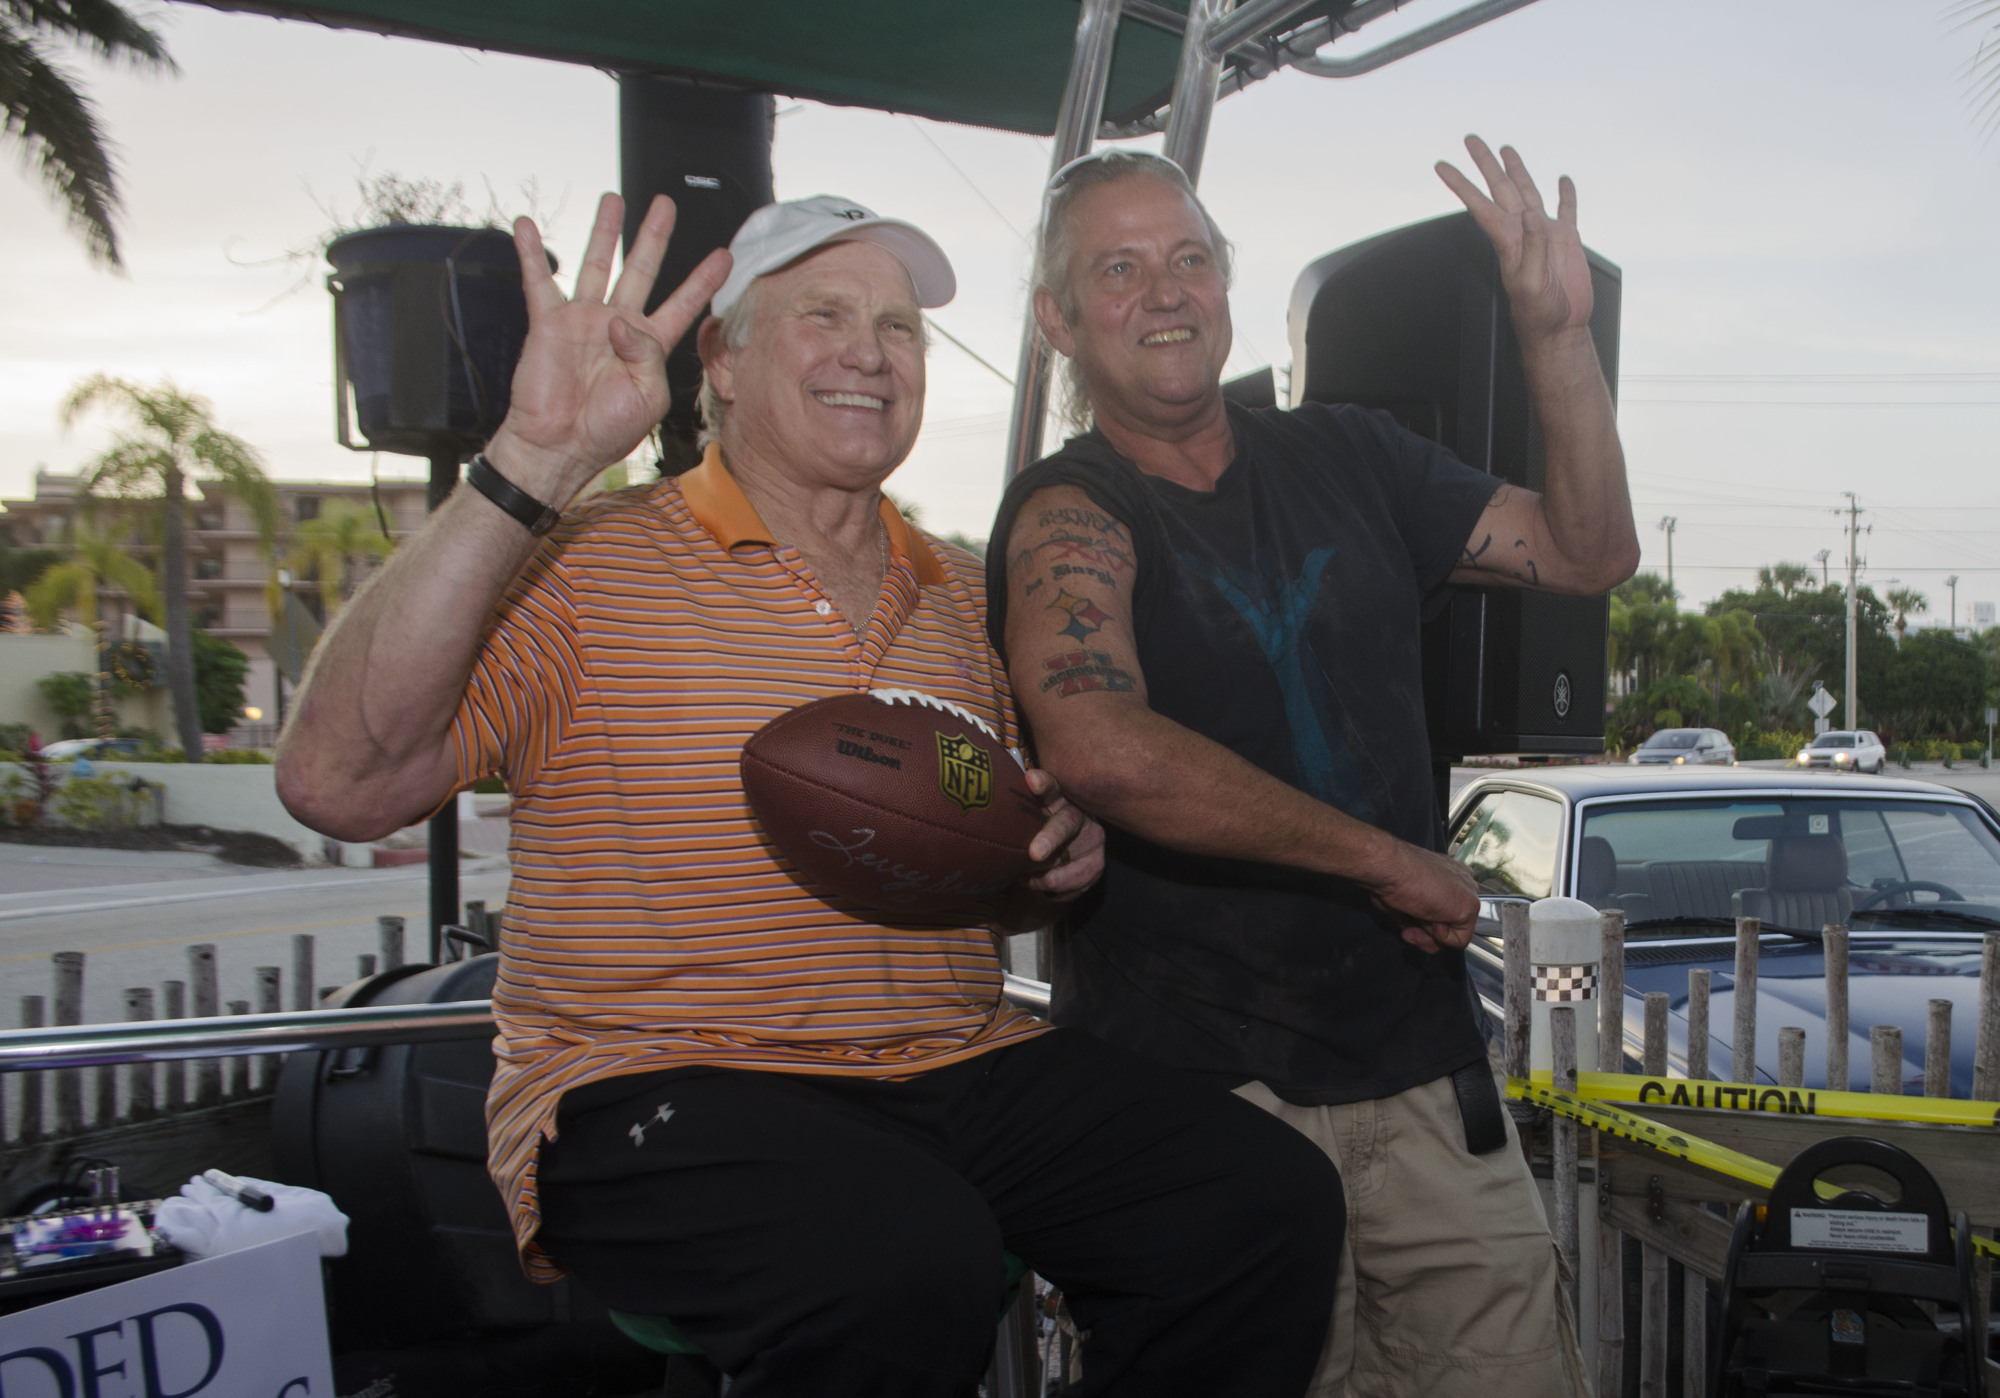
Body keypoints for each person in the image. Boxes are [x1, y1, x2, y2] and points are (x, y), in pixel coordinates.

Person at [276, 189, 1343, 1398]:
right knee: (901, 1258)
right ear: (720, 360)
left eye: (898, 329)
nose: (868, 353)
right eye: (823, 314)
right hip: (657, 1076)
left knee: (1262, 1205)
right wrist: (532, 463)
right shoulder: (578, 565)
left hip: (949, 1061)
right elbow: (336, 783)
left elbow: (976, 842)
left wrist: (1050, 852)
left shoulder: (966, 588)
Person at [987, 139, 1640, 1397]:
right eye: (1117, 270)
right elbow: (1095, 741)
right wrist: (1386, 862)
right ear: (1057, 319)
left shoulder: (1352, 454)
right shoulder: (1067, 511)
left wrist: (1555, 337)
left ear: (1227, 284)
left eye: (1187, 258)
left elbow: (1586, 549)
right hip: (1209, 1104)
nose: (1163, 291)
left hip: (1419, 1078)